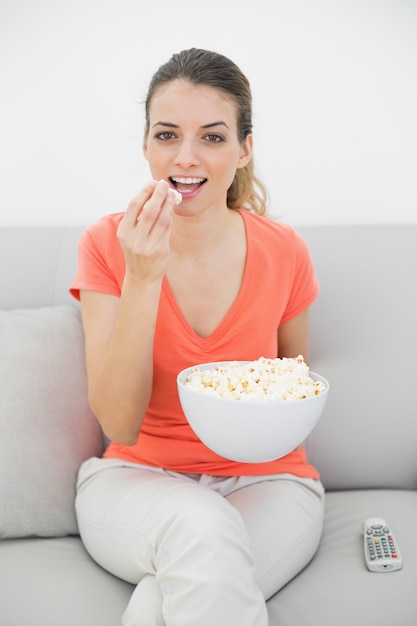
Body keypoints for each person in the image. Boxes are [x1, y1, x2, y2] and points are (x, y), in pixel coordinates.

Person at [70, 47, 325, 626]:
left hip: (269, 483)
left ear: (244, 149)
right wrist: (142, 276)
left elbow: (293, 382)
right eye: (167, 135)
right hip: (135, 479)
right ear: (145, 144)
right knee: (200, 526)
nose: (185, 158)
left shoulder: (285, 251)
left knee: (167, 598)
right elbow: (119, 423)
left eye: (212, 137)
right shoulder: (108, 243)